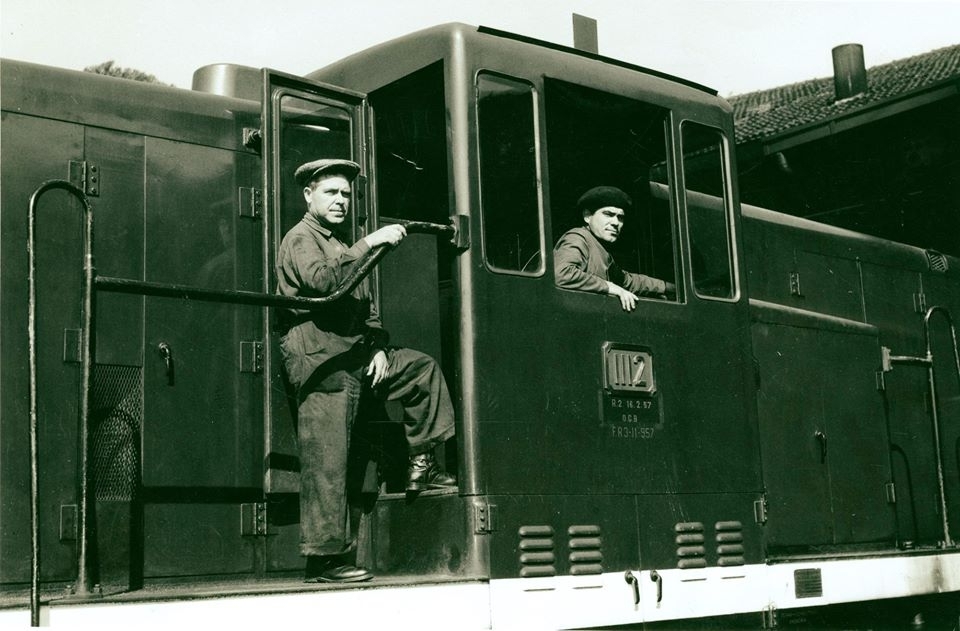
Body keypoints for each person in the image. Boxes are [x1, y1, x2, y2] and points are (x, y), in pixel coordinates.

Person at [276, 158, 456, 583]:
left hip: (357, 356)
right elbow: (323, 283)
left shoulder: (339, 243)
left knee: (420, 369)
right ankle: (322, 559)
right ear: (309, 195)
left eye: (345, 193)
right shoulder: (300, 239)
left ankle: (422, 464)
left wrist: (377, 347)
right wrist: (370, 243)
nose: (341, 200)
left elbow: (367, 309)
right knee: (328, 459)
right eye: (331, 192)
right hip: (323, 362)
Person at [554, 186, 675, 311]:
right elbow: (561, 274)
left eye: (620, 217)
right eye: (608, 214)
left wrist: (666, 287)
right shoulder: (578, 237)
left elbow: (628, 281)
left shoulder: (600, 248)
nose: (616, 223)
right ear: (587, 216)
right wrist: (610, 287)